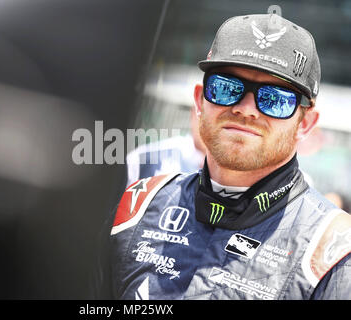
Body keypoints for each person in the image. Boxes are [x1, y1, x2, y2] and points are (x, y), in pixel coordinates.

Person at [93, 13, 350, 300]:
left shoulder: (332, 251)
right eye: (227, 88)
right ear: (200, 100)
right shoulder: (138, 207)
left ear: (305, 124)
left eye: (275, 99)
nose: (246, 109)